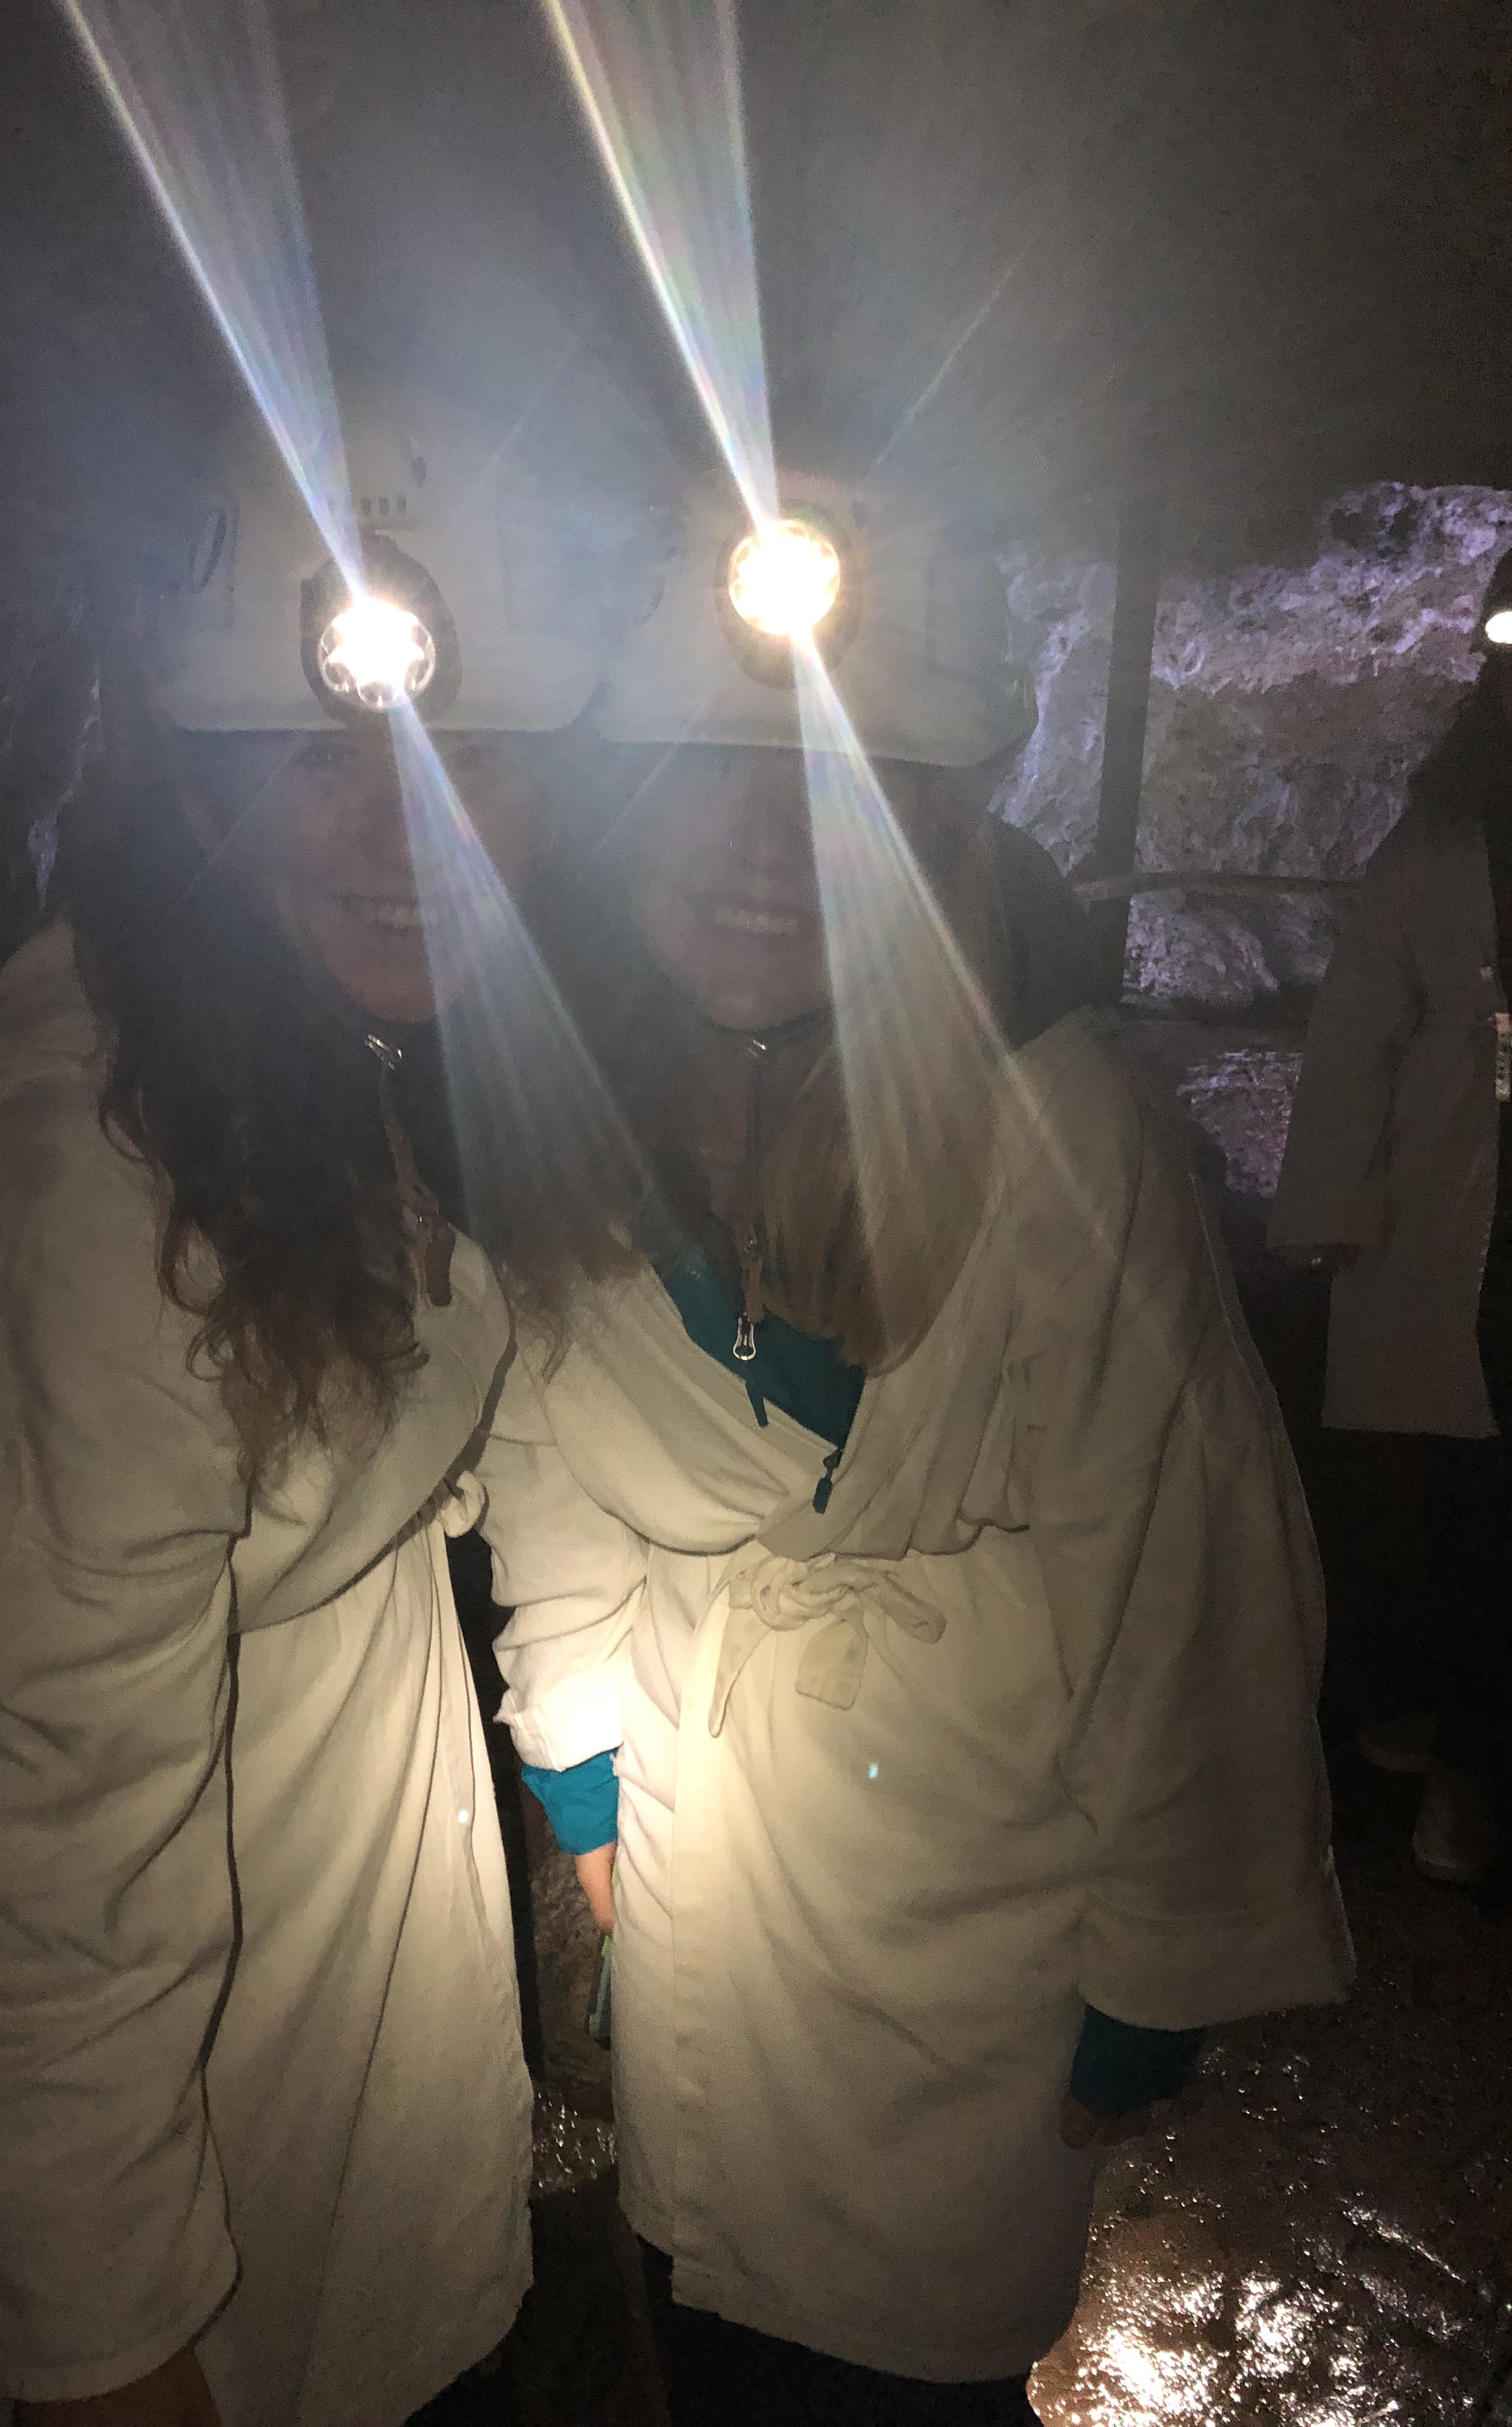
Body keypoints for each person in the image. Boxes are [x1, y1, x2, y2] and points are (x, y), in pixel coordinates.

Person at [0, 382, 648, 2427]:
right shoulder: (95, 1208)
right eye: (319, 760)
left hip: (345, 2130)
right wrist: (109, 2364)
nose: (410, 831)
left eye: (474, 760)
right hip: (211, 2262)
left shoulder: (306, 1073)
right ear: (190, 790)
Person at [476, 470, 1354, 2423]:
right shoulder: (568, 1124)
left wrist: (1155, 1968)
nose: (765, 843)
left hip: (970, 1898)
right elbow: (549, 1466)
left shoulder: (1059, 1133)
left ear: (934, 834)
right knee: (700, 2311)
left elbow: (1181, 1562)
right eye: (712, 773)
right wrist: (587, 1779)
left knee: (908, 2371)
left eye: (841, 781)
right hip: (700, 1859)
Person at [1269, 545, 1512, 1889]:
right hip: (1458, 1186)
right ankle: (1445, 1741)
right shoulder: (1442, 842)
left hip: (1468, 1181)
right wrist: (1334, 1202)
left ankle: (1466, 1740)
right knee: (1451, 1477)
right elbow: (1359, 1026)